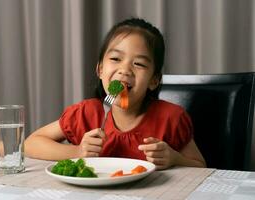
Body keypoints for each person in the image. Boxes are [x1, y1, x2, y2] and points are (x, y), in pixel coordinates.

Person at [25, 18, 206, 170]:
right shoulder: (85, 114)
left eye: (139, 64)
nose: (124, 70)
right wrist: (77, 152)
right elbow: (30, 144)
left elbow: (200, 166)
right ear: (100, 69)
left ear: (154, 80)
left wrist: (174, 159)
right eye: (115, 59)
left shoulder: (171, 118)